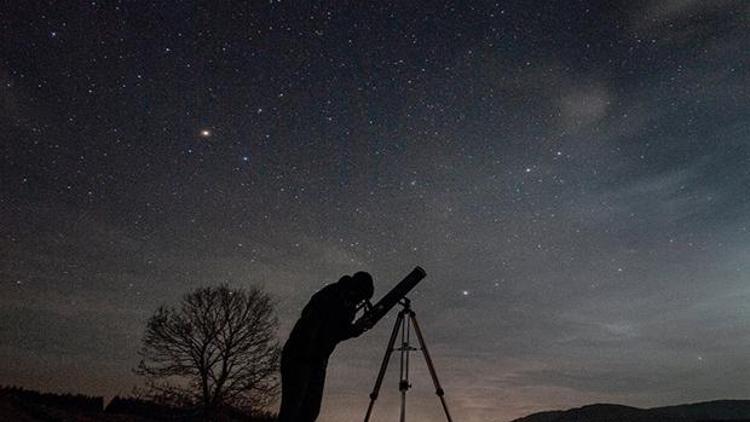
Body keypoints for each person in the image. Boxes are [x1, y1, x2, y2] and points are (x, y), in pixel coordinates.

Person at [278, 271, 375, 422]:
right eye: (359, 298)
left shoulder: (346, 302)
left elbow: (336, 331)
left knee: (310, 411)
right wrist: (355, 329)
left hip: (317, 361)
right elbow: (330, 330)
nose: (358, 303)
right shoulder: (332, 295)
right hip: (300, 357)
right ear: (355, 290)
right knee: (292, 409)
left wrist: (354, 329)